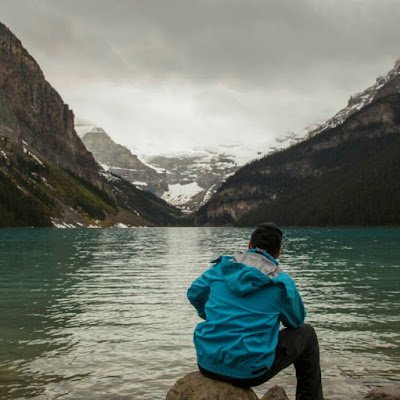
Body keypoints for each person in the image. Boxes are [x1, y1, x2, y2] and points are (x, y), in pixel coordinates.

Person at [187, 222, 323, 400]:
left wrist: (212, 315)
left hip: (207, 363)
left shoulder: (221, 268)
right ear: (278, 253)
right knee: (308, 334)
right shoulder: (281, 283)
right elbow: (296, 321)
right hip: (251, 372)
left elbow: (194, 294)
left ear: (249, 245)